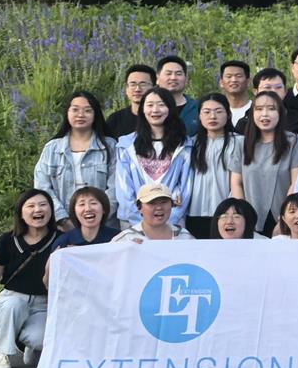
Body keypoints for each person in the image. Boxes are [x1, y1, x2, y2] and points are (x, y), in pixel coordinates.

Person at [0, 189, 57, 368]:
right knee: (14, 305)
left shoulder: (60, 239)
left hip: (43, 304)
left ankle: (24, 342)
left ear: (51, 210)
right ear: (21, 213)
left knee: (40, 339)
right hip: (11, 300)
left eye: (43, 205)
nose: (37, 209)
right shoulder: (7, 240)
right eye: (31, 206)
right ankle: (3, 353)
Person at [35, 90, 118, 226]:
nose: (80, 115)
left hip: (103, 225)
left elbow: (116, 188)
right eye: (75, 110)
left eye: (87, 110)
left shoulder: (110, 146)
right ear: (67, 113)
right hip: (63, 226)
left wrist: (97, 218)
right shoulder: (52, 149)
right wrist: (63, 219)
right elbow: (43, 188)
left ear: (95, 114)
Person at [114, 87, 190, 227]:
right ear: (142, 109)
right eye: (150, 105)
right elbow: (124, 190)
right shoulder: (126, 145)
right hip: (133, 223)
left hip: (172, 222)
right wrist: (141, 223)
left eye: (161, 105)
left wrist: (168, 220)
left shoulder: (184, 145)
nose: (155, 110)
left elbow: (186, 188)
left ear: (170, 109)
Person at [239, 91, 298, 234]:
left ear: (281, 113)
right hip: (249, 219)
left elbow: (297, 183)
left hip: (285, 218)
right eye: (259, 109)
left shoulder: (295, 142)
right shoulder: (242, 144)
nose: (264, 114)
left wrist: (285, 218)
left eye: (271, 109)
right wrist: (242, 217)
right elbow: (236, 184)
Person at [180, 95, 244, 239]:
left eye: (218, 111)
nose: (212, 116)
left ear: (228, 114)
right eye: (207, 112)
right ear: (199, 116)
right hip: (195, 213)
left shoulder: (239, 142)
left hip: (227, 216)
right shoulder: (190, 144)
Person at [112, 182, 195, 243]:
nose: (159, 207)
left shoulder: (185, 237)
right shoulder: (126, 239)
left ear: (171, 205)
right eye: (151, 203)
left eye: (164, 202)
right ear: (139, 207)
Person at [52, 186, 118, 249]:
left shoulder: (117, 239)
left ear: (104, 209)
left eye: (93, 203)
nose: (88, 209)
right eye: (82, 204)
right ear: (74, 211)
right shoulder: (63, 242)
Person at [104, 63, 157, 139]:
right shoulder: (115, 120)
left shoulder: (161, 117)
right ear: (126, 89)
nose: (137, 89)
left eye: (143, 84)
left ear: (154, 88)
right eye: (133, 84)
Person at [155, 56, 192, 129]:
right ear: (157, 79)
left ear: (186, 79)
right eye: (168, 73)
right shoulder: (148, 108)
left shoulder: (197, 108)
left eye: (178, 74)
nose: (173, 78)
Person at [217, 59, 254, 126]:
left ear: (248, 82)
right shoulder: (215, 112)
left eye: (238, 76)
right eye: (229, 76)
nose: (234, 80)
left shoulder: (256, 110)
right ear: (221, 82)